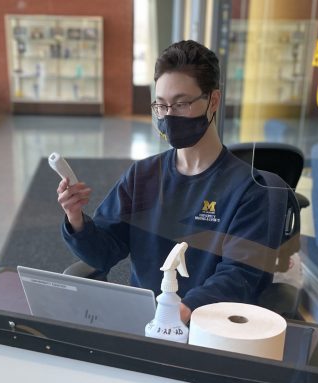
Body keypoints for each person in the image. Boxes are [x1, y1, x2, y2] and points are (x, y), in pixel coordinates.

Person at [58, 40, 290, 325]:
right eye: (161, 105)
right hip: (146, 324)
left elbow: (240, 276)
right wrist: (76, 219)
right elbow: (103, 252)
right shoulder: (142, 176)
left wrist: (183, 310)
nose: (168, 116)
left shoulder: (249, 189)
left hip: (210, 330)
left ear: (213, 101)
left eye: (180, 104)